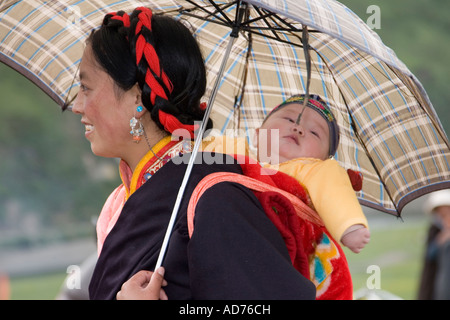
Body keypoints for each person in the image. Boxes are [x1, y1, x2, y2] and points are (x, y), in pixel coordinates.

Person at [72, 7, 315, 300]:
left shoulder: (216, 196)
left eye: (86, 87)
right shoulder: (119, 203)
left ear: (137, 95)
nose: (77, 105)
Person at [254, 94, 370, 253]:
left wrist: (348, 224)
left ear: (322, 158)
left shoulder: (313, 171)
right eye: (289, 119)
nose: (298, 128)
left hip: (280, 243)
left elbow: (332, 189)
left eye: (314, 132)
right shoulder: (238, 150)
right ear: (257, 134)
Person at [417, 189, 450, 300]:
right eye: (441, 214)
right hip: (440, 283)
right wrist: (441, 239)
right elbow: (429, 255)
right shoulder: (435, 230)